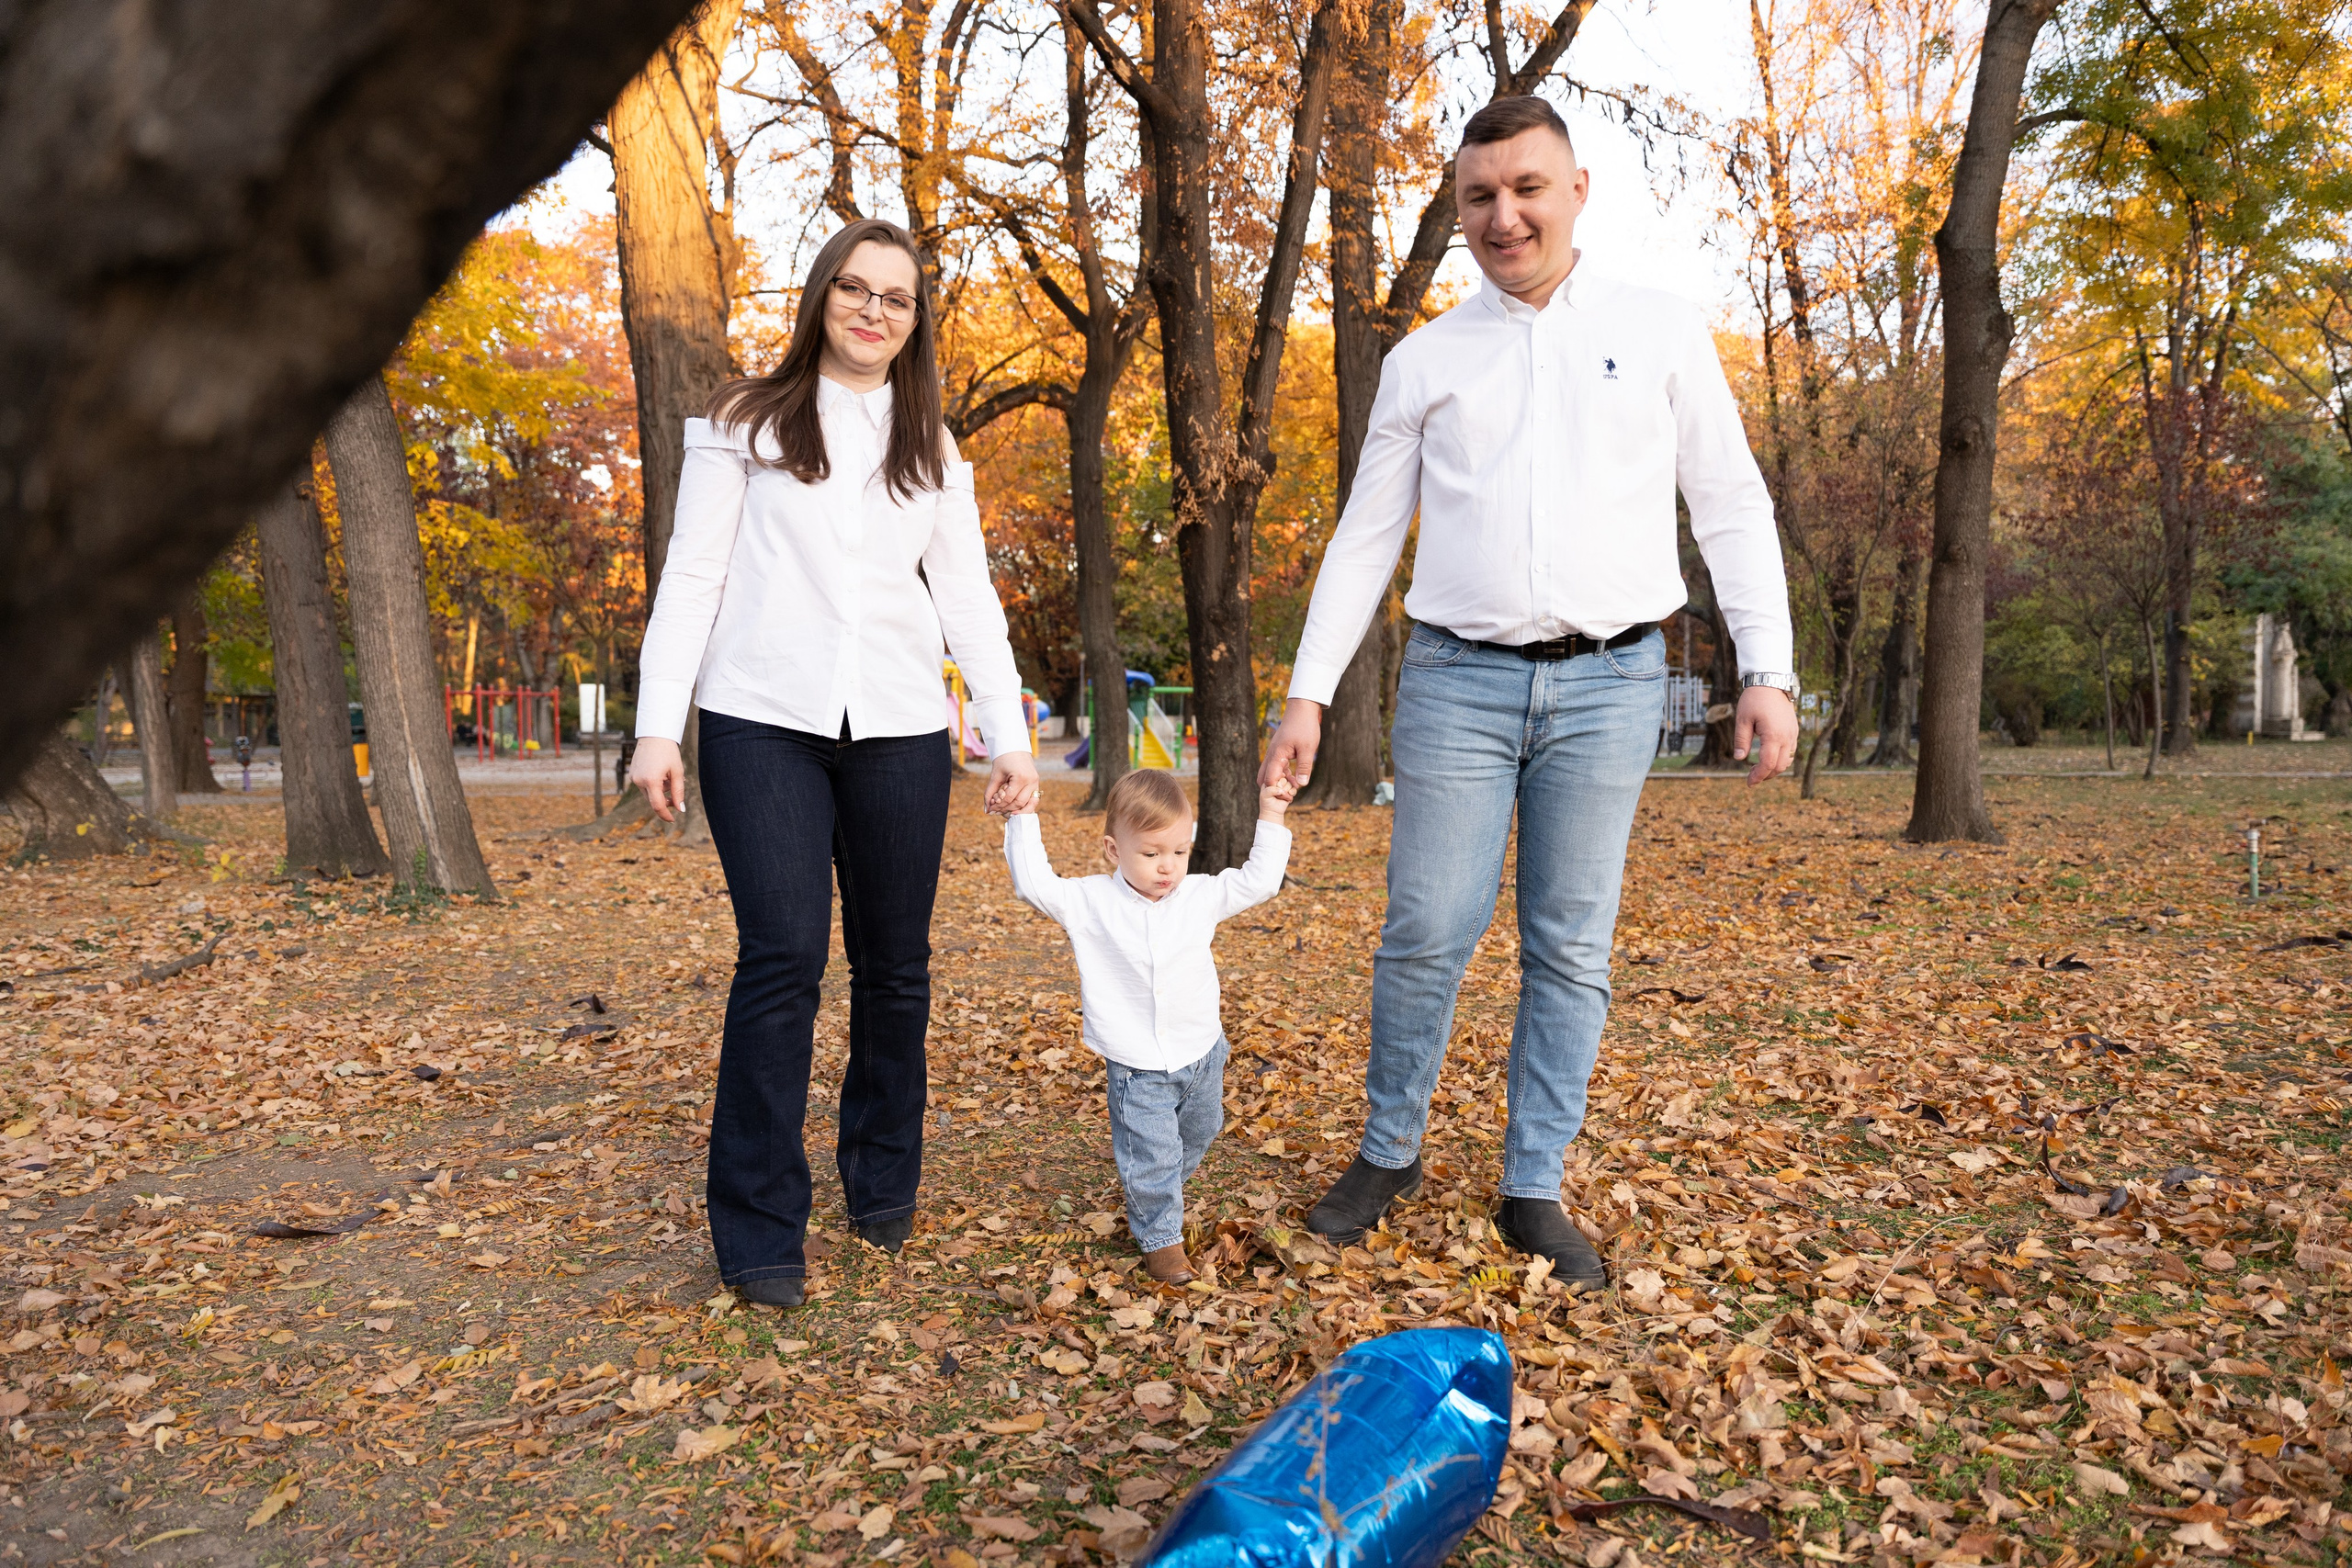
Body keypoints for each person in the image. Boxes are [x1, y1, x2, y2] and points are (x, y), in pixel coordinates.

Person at [1262, 96, 1799, 1288]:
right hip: (1456, 679)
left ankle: (1533, 1181)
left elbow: (1730, 499)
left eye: (1527, 189)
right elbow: (1364, 538)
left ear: (1577, 190)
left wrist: (1766, 667)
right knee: (1426, 929)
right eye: (1480, 196)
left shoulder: (1660, 330)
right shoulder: (1425, 361)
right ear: (1460, 210)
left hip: (1612, 682)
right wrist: (1305, 694)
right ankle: (1388, 1148)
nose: (1505, 215)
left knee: (1571, 941)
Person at [629, 218, 1039, 1309]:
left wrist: (1008, 733)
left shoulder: (933, 450)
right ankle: (761, 1225)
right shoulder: (742, 426)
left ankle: (882, 1182)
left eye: (895, 299)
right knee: (783, 957)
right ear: (821, 298)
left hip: (900, 731)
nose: (871, 311)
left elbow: (968, 602)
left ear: (915, 323)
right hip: (762, 721)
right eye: (854, 290)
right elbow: (691, 579)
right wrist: (657, 725)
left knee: (896, 967)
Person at [999, 769, 1295, 1283]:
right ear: (1114, 850)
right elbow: (1033, 884)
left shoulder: (1199, 895)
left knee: (1200, 1131)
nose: (1167, 867)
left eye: (1179, 852)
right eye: (1152, 853)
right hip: (1138, 1065)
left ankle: (1150, 1192)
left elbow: (1260, 881)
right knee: (1154, 1154)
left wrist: (1272, 812)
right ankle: (1162, 1241)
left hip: (1203, 1050)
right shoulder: (1090, 902)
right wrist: (1022, 817)